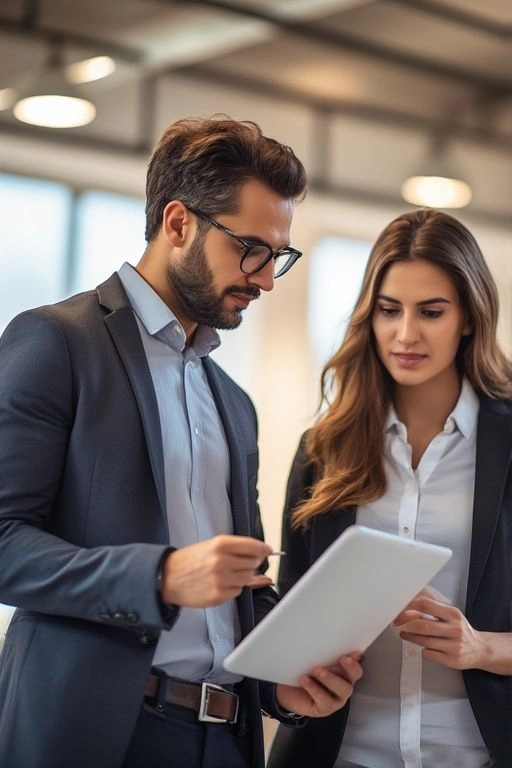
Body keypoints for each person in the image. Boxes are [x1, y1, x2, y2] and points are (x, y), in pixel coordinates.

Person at [0, 117, 363, 768]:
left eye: (277, 255)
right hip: (98, 734)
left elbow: (242, 592)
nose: (267, 278)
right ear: (177, 224)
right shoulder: (55, 344)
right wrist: (162, 575)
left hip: (225, 739)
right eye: (252, 248)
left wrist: (286, 682)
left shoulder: (233, 403)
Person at [267, 208, 512, 768]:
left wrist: (484, 648)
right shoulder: (322, 451)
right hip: (336, 755)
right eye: (388, 310)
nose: (406, 334)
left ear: (469, 318)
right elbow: (290, 617)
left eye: (431, 312)